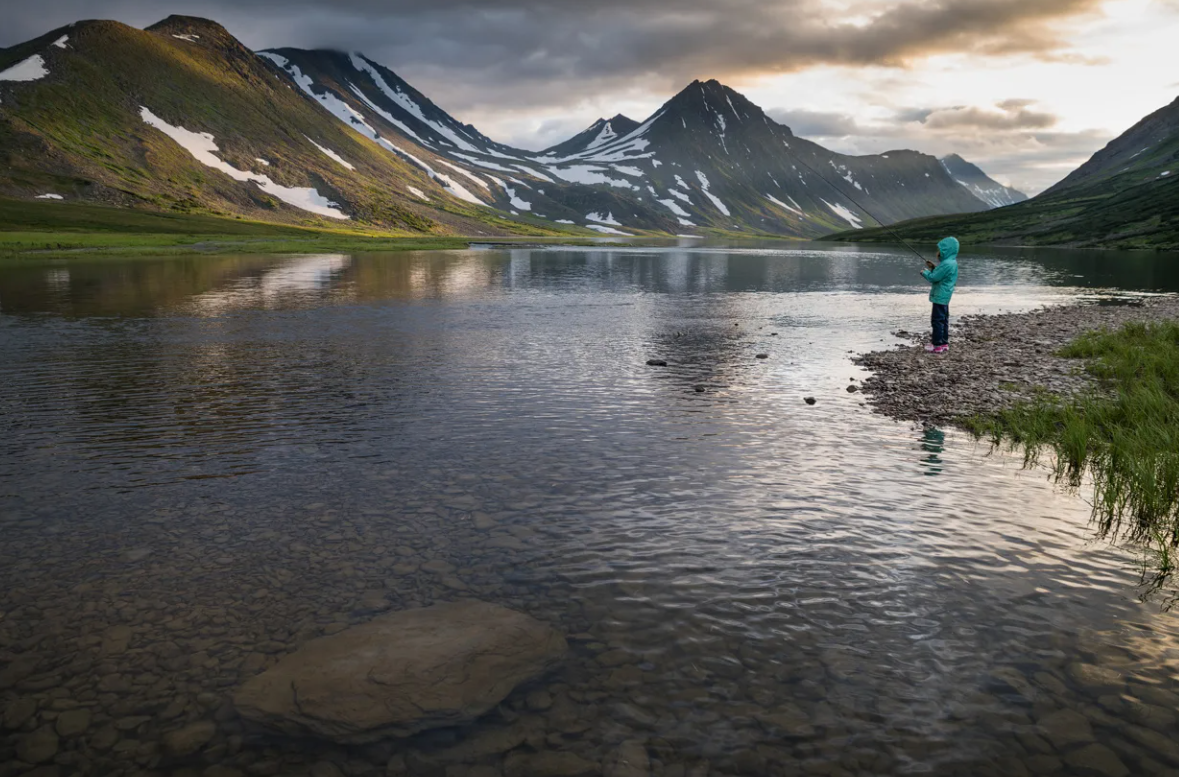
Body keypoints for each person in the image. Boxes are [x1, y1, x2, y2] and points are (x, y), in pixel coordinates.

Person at [921, 237, 959, 353]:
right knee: (944, 320)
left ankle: (937, 345)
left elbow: (934, 278)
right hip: (946, 295)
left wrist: (925, 272)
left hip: (939, 296)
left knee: (937, 320)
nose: (938, 252)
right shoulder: (952, 262)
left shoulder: (946, 263)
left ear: (946, 250)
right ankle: (944, 343)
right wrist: (933, 268)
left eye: (940, 250)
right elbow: (942, 275)